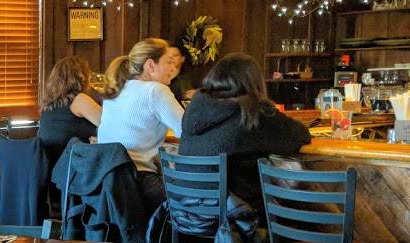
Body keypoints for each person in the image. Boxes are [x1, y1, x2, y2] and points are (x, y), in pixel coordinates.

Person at [179, 52, 310, 217]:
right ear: (254, 81)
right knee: (301, 209)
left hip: (188, 216)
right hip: (238, 219)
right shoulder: (251, 110)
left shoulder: (196, 106)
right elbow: (300, 135)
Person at [97, 38, 184, 217]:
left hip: (105, 183)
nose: (173, 68)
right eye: (169, 61)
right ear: (150, 65)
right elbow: (187, 131)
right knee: (197, 200)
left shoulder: (116, 90)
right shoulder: (155, 90)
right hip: (139, 183)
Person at [37, 56, 103, 167]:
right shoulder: (79, 100)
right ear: (81, 77)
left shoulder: (47, 106)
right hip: (75, 168)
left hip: (53, 168)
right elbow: (111, 123)